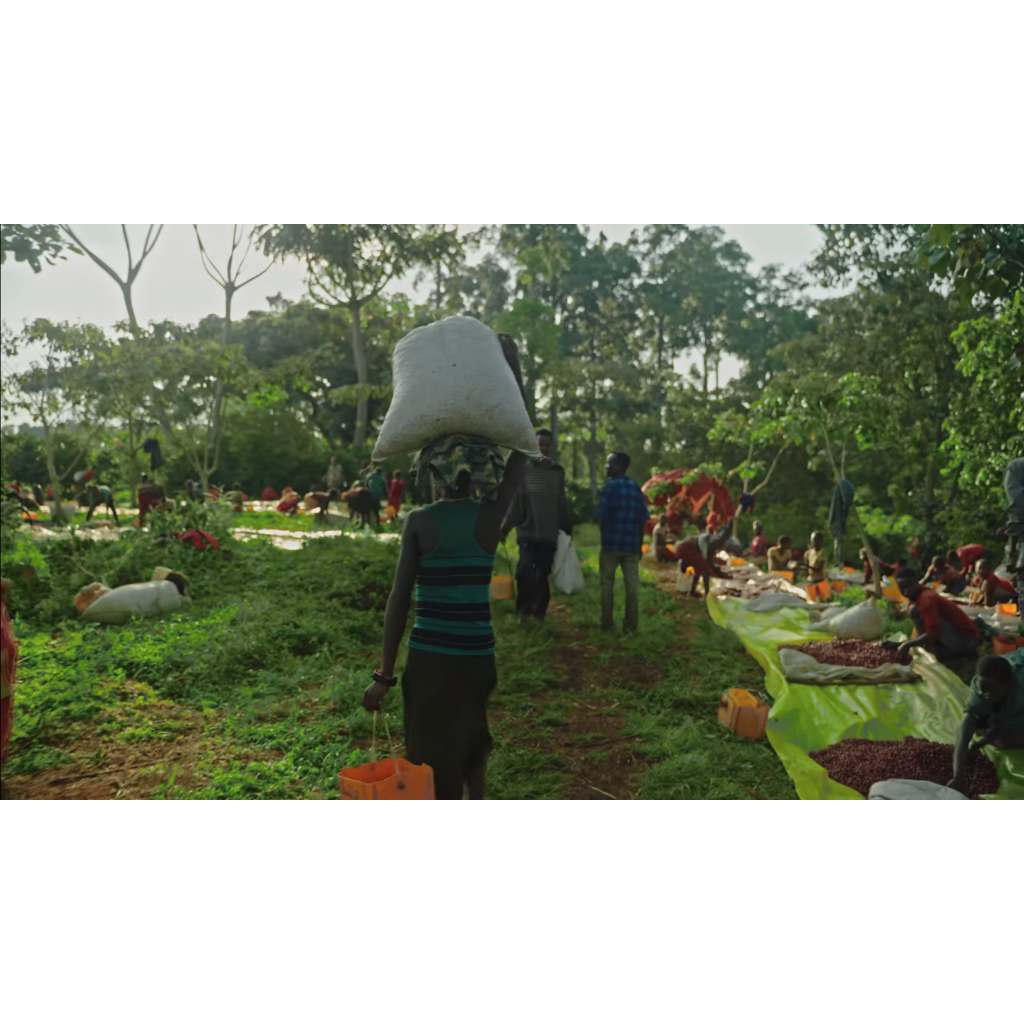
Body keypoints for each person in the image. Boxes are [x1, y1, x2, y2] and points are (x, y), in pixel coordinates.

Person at [361, 338, 530, 801]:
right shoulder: (489, 518)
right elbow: (523, 446)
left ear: (432, 473)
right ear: (482, 473)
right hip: (476, 659)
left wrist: (384, 675)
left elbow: (400, 599)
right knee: (473, 743)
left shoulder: (419, 522)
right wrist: (514, 370)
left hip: (430, 660)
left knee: (427, 754)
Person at [500, 428, 572, 623]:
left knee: (542, 574)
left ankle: (539, 613)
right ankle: (523, 612)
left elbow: (561, 502)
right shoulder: (525, 470)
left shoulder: (558, 472)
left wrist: (567, 527)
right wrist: (505, 528)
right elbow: (517, 503)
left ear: (552, 446)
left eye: (547, 444)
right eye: (540, 444)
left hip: (549, 534)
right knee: (524, 572)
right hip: (528, 531)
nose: (543, 448)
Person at [949, 651, 1024, 793]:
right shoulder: (980, 686)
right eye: (984, 690)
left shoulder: (1021, 689)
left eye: (993, 691)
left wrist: (983, 741)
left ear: (1009, 685)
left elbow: (1005, 727)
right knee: (982, 724)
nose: (986, 695)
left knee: (1011, 740)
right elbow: (964, 734)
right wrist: (958, 775)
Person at [598, 452, 650, 633]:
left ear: (619, 466)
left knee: (607, 584)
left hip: (611, 545)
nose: (606, 467)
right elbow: (643, 520)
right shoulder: (636, 489)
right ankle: (631, 625)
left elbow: (602, 517)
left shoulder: (609, 488)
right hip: (631, 546)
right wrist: (639, 545)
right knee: (632, 586)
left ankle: (607, 623)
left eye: (609, 463)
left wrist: (604, 537)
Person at [895, 568, 979, 667]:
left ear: (916, 582)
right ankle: (935, 650)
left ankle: (959, 656)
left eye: (909, 585)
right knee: (914, 611)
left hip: (967, 642)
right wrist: (900, 644)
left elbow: (932, 633)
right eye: (902, 588)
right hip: (955, 637)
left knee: (915, 611)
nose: (906, 590)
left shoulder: (926, 598)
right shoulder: (915, 598)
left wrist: (907, 644)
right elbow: (922, 629)